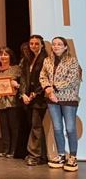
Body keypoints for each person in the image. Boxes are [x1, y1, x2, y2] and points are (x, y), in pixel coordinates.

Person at [41, 37, 81, 172]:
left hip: (68, 99)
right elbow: (43, 76)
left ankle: (73, 157)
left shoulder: (72, 61)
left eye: (59, 44)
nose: (56, 46)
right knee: (57, 128)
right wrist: (47, 89)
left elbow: (72, 79)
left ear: (65, 47)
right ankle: (61, 155)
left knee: (70, 128)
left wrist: (53, 88)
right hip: (52, 99)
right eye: (54, 44)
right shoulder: (47, 60)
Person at [21, 34, 48, 166]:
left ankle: (35, 155)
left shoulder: (45, 59)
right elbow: (24, 79)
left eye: (36, 43)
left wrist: (35, 94)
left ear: (42, 45)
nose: (33, 46)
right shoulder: (28, 59)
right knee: (35, 126)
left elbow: (45, 79)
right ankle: (41, 155)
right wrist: (24, 94)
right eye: (31, 43)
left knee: (36, 126)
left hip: (40, 98)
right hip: (29, 98)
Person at [0, 46, 21, 159]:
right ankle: (5, 148)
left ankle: (13, 150)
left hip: (12, 102)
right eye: (1, 54)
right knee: (3, 127)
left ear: (10, 56)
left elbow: (22, 85)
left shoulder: (16, 69)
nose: (3, 56)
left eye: (5, 54)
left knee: (13, 126)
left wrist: (17, 85)